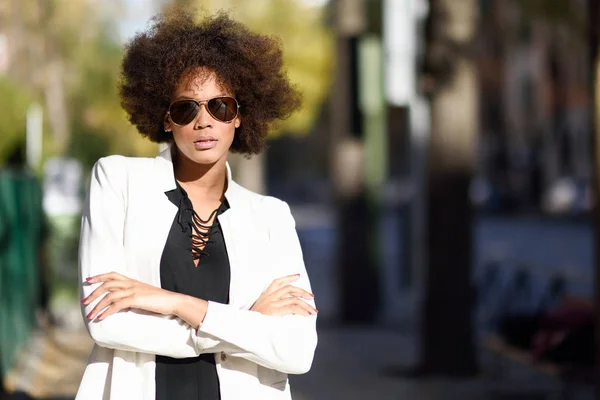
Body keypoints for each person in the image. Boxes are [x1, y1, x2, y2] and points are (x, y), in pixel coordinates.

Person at [76, 9, 317, 400]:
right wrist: (247, 324)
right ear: (166, 119)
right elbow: (106, 323)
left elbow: (297, 350)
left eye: (219, 106)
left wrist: (176, 304)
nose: (203, 121)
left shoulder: (271, 217)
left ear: (239, 116)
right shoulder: (117, 181)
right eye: (186, 108)